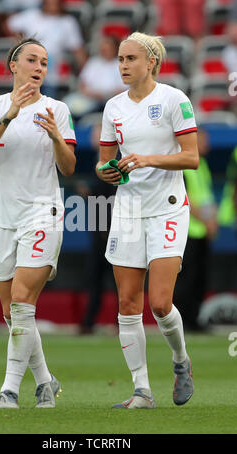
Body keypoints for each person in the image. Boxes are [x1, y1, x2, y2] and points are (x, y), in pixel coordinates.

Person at [0, 37, 77, 409]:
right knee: (11, 312)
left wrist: (55, 137)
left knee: (21, 302)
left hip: (42, 213)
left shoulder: (57, 110)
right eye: (32, 60)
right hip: (1, 215)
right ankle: (45, 381)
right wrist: (8, 115)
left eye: (45, 62)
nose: (39, 67)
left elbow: (68, 167)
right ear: (13, 66)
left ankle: (9, 390)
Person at [96, 31, 198, 409]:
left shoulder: (174, 99)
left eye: (131, 59)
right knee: (126, 302)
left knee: (158, 303)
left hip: (168, 206)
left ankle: (180, 360)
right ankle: (142, 391)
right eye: (121, 59)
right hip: (128, 209)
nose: (123, 66)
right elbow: (105, 160)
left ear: (151, 62)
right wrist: (106, 171)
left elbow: (192, 158)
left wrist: (145, 158)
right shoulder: (113, 107)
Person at [173, 128, 218, 331]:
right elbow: (187, 199)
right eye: (203, 139)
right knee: (186, 278)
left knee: (201, 277)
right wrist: (207, 221)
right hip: (188, 230)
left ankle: (194, 318)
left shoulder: (203, 165)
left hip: (202, 231)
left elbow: (206, 196)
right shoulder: (184, 165)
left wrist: (213, 220)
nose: (207, 143)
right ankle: (182, 320)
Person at [5, 0, 87, 98]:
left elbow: (77, 48)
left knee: (46, 101)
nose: (52, 4)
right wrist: (19, 42)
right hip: (29, 63)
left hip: (53, 67)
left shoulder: (67, 22)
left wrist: (86, 71)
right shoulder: (31, 15)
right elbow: (9, 24)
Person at [63, 35, 127, 120]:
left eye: (107, 48)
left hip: (109, 101)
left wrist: (104, 95)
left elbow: (123, 90)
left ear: (115, 49)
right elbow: (82, 83)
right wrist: (88, 93)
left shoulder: (121, 65)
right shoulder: (93, 62)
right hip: (89, 97)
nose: (104, 51)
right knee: (65, 106)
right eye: (103, 48)